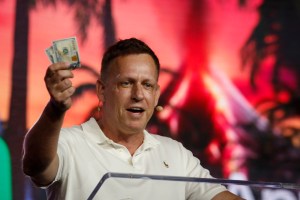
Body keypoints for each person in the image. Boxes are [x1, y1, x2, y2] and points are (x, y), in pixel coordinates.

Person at [22, 38, 242, 199]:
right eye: (126, 83)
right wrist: (55, 109)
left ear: (156, 95)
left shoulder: (176, 154)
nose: (138, 95)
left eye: (147, 85)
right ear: (102, 91)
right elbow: (35, 165)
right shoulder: (69, 143)